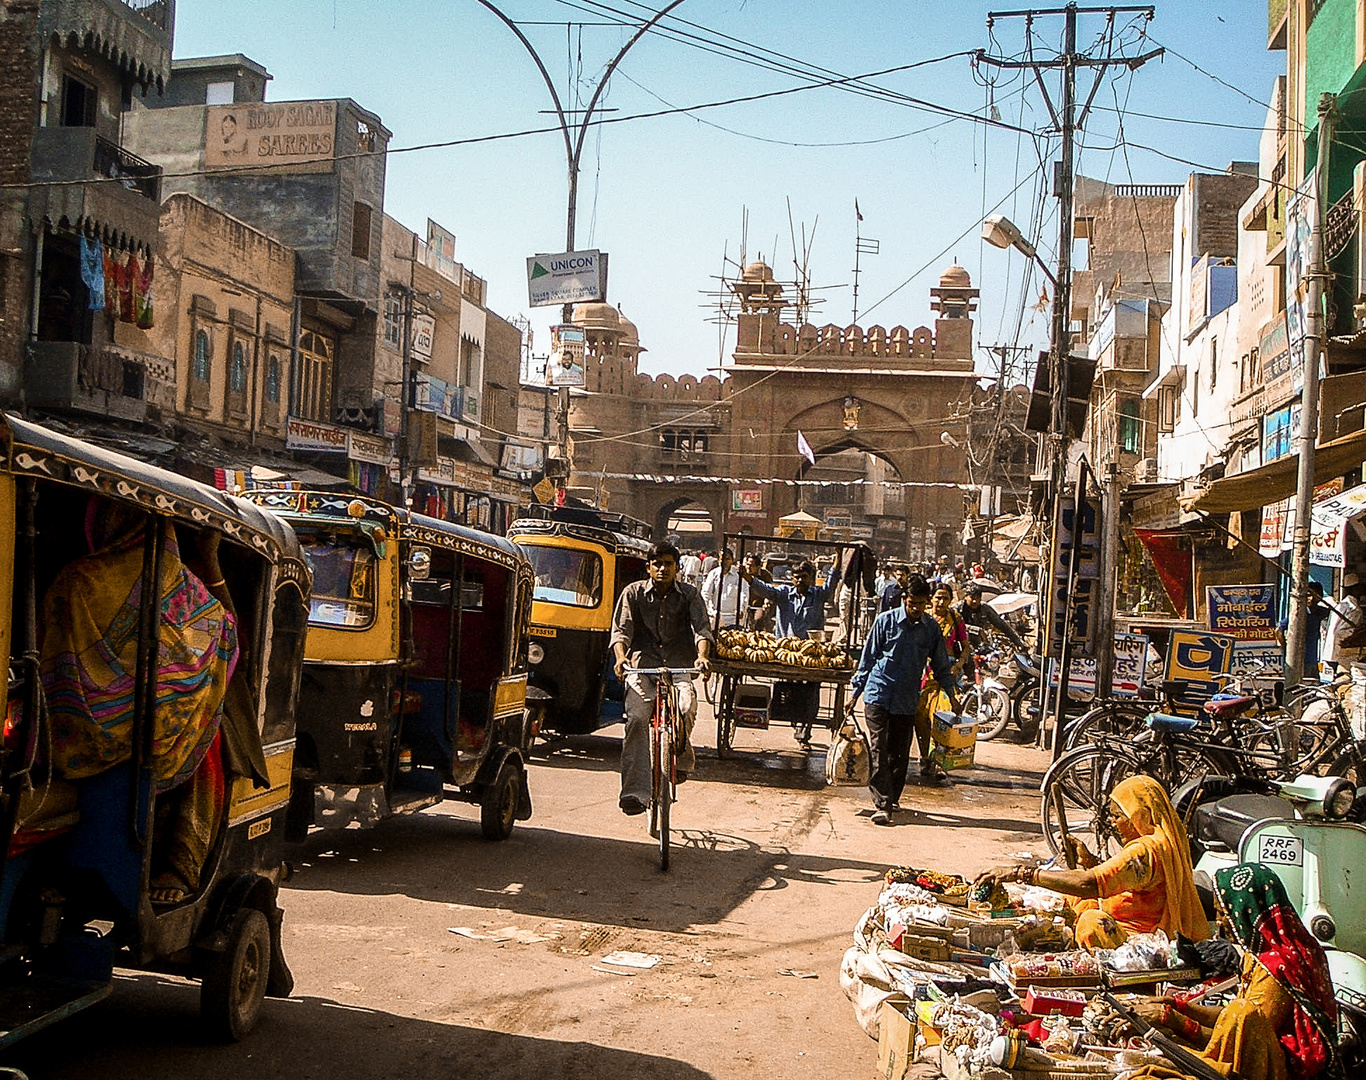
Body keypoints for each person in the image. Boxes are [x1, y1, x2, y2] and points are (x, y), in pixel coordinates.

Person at [40, 501, 263, 904]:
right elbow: (229, 640)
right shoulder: (185, 589)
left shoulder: (74, 579)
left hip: (68, 733)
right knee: (208, 737)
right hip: (162, 738)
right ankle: (179, 866)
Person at [1125, 862, 1341, 1080]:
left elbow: (1240, 1034)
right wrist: (1180, 1007)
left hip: (1283, 1069)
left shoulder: (1277, 967)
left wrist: (1172, 1020)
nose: (1219, 922)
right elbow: (1230, 1019)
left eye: (1224, 913)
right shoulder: (1258, 955)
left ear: (1247, 911)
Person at [974, 774, 1210, 949]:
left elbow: (1091, 883)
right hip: (1136, 921)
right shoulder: (1160, 842)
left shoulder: (1145, 850)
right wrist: (1089, 861)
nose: (1115, 824)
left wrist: (1021, 873)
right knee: (1073, 899)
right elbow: (1123, 877)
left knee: (1090, 921)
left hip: (1142, 941)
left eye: (1118, 816)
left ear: (1140, 815)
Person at [847, 574, 960, 824]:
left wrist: (952, 695)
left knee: (899, 753)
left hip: (907, 698)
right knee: (878, 747)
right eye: (913, 604)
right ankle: (882, 802)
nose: (917, 609)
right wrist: (855, 692)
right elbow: (867, 659)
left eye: (922, 604)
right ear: (904, 600)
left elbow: (941, 665)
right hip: (879, 693)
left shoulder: (930, 628)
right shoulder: (884, 622)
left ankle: (892, 797)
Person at [610, 542, 713, 816]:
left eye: (668, 563)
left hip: (679, 664)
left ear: (677, 568)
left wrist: (702, 657)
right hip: (642, 666)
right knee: (637, 719)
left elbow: (701, 628)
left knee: (686, 707)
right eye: (657, 563)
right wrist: (621, 659)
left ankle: (679, 757)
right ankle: (634, 792)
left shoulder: (690, 595)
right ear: (648, 567)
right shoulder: (632, 593)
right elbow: (621, 632)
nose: (662, 568)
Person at [742, 559, 835, 747]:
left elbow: (831, 583)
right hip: (785, 651)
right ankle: (793, 719)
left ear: (811, 578)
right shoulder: (784, 594)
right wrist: (748, 578)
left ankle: (804, 731)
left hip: (811, 654)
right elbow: (765, 590)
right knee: (786, 692)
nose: (799, 580)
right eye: (796, 577)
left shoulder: (818, 595)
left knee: (810, 693)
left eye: (804, 577)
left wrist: (837, 561)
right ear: (791, 578)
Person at [1278, 581, 1329, 683]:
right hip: (1299, 660)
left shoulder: (1323, 612)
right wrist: (1285, 647)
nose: (1312, 599)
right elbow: (1279, 629)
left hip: (1314, 659)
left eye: (1315, 595)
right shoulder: (1299, 613)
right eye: (1309, 595)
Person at [955, 581, 1025, 650]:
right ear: (966, 597)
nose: (975, 601)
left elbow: (1002, 625)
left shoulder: (985, 608)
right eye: (972, 598)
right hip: (960, 645)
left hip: (980, 645)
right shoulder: (957, 609)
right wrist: (975, 630)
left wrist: (1018, 642)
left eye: (978, 598)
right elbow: (955, 626)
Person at [834, 542, 877, 645]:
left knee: (864, 610)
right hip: (849, 584)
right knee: (844, 610)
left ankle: (864, 636)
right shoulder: (845, 578)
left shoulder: (865, 572)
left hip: (861, 584)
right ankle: (845, 635)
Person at [701, 548, 749, 628]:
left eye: (727, 559)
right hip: (716, 617)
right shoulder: (713, 574)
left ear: (732, 560)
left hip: (733, 619)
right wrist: (708, 610)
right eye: (722, 559)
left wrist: (741, 609)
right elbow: (705, 593)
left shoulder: (739, 575)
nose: (724, 562)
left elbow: (744, 593)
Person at [742, 552, 775, 632]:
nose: (748, 568)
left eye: (751, 566)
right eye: (747, 565)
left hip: (759, 606)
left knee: (758, 622)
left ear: (758, 567)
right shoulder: (743, 574)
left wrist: (766, 603)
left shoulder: (765, 575)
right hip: (745, 605)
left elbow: (768, 591)